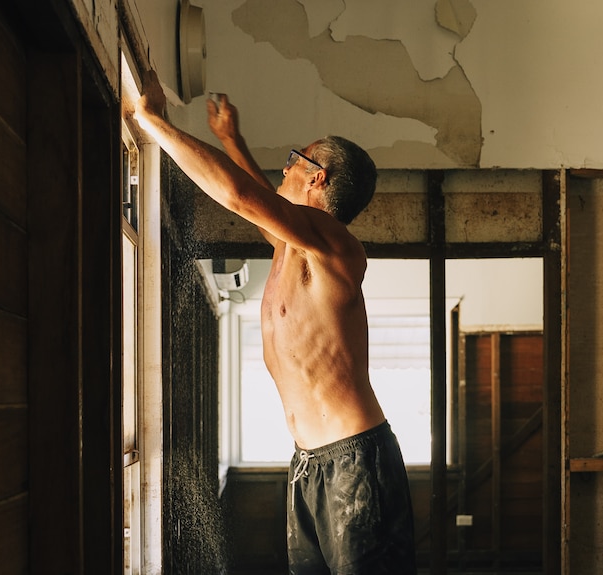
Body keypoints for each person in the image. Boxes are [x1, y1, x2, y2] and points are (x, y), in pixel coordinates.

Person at [134, 69, 416, 575]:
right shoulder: (292, 248)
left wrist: (151, 122)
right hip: (307, 463)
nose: (284, 168)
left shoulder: (336, 247)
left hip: (356, 462)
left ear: (318, 177)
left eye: (294, 161)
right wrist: (231, 139)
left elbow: (243, 197)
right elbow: (257, 202)